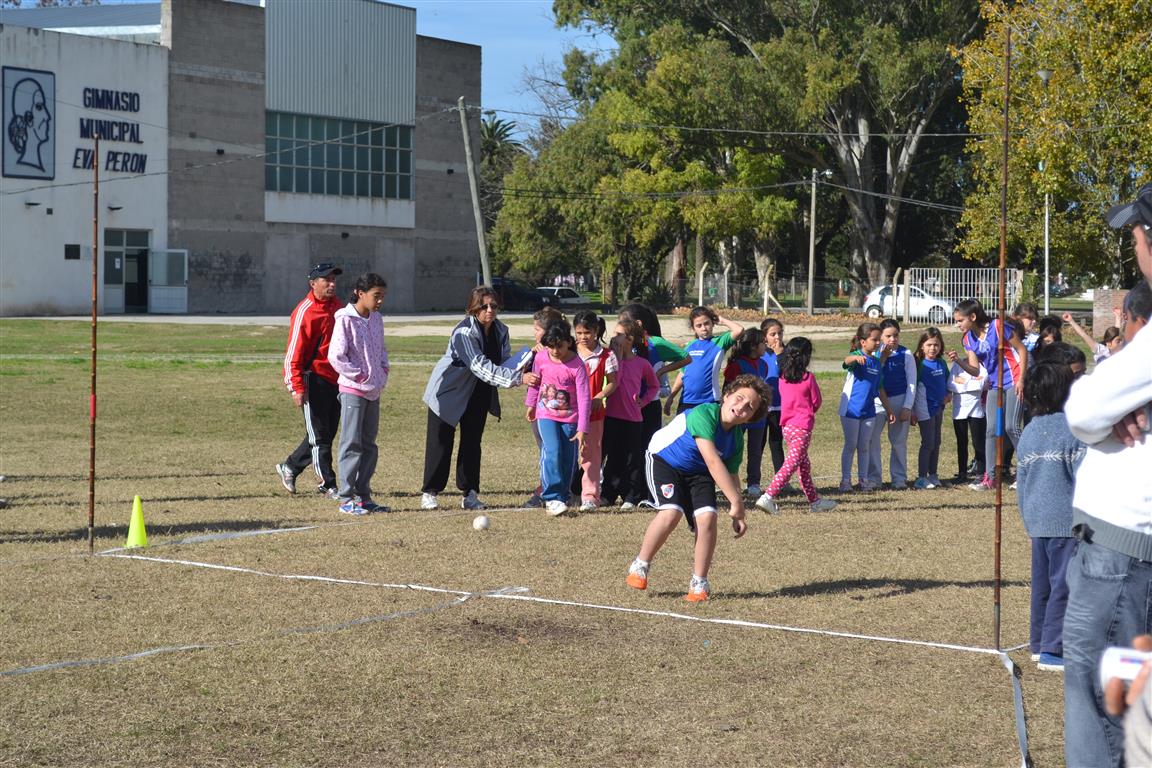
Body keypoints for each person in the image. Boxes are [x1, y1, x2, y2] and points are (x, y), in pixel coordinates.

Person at [1062, 182, 1152, 768]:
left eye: (1139, 234)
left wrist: (1111, 402)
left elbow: (1082, 411)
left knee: (1106, 706)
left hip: (1121, 557)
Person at [626, 375, 769, 602]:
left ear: (751, 418)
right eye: (739, 398)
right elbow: (713, 461)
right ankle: (640, 565)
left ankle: (699, 582)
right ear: (726, 395)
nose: (741, 406)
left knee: (708, 519)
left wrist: (738, 514)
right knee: (671, 512)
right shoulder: (704, 414)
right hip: (665, 460)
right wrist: (737, 503)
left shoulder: (736, 439)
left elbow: (731, 474)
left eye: (749, 407)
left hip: (699, 471)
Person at [420, 286, 538, 511]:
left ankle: (470, 493)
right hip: (447, 392)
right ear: (473, 308)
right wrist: (518, 379)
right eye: (484, 306)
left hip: (479, 392)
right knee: (440, 443)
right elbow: (479, 366)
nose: (490, 310)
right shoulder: (464, 332)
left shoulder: (501, 330)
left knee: (472, 443)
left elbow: (504, 361)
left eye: (494, 305)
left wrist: (529, 357)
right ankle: (430, 492)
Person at [1015, 360, 1083, 672]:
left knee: (1042, 585)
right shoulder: (1073, 431)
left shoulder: (1029, 431)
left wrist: (1027, 517)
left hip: (1037, 520)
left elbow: (1022, 481)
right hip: (1066, 523)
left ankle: (1038, 642)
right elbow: (1084, 479)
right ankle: (1054, 651)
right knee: (1064, 585)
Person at [276, 262, 344, 498]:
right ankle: (328, 483)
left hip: (336, 379)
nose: (332, 284)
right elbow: (293, 353)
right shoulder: (305, 311)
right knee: (320, 436)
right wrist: (295, 387)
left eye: (334, 280)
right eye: (327, 280)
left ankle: (291, 466)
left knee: (324, 433)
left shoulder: (339, 308)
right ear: (313, 283)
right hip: (312, 379)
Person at [947, 298, 1029, 490]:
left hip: (1014, 380)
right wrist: (959, 361)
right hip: (994, 385)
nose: (957, 324)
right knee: (991, 430)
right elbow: (975, 370)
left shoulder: (998, 327)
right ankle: (990, 478)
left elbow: (1021, 350)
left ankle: (1027, 472)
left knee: (1011, 427)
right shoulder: (967, 339)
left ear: (973, 317)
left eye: (960, 320)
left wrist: (1022, 380)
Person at [327, 273, 391, 515]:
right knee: (351, 443)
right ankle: (346, 498)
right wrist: (360, 376)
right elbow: (336, 356)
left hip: (373, 391)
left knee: (369, 445)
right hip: (353, 390)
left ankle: (364, 496)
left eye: (383, 296)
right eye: (376, 296)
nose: (380, 301)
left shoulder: (376, 319)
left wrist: (382, 371)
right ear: (360, 293)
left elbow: (381, 350)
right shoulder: (344, 319)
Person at [755, 338, 837, 514]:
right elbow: (816, 402)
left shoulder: (783, 378)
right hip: (802, 426)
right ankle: (768, 496)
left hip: (787, 427)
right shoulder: (808, 378)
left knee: (803, 464)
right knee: (792, 463)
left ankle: (815, 501)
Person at [525, 318, 590, 517]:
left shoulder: (577, 365)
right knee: (552, 451)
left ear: (569, 342)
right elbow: (535, 383)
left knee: (568, 458)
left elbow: (584, 397)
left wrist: (582, 429)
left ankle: (562, 496)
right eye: (551, 347)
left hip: (570, 418)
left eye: (559, 346)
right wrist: (531, 404)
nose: (555, 351)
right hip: (546, 415)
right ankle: (551, 496)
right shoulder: (541, 358)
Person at [601, 319, 660, 508]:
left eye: (619, 334)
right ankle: (608, 494)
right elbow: (613, 380)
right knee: (612, 457)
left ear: (630, 339)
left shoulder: (641, 363)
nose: (614, 338)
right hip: (611, 415)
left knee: (632, 459)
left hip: (633, 418)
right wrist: (616, 357)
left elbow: (653, 385)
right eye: (614, 333)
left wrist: (644, 400)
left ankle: (631, 496)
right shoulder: (610, 360)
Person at [618, 303, 690, 446]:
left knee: (647, 445)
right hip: (627, 404)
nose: (621, 326)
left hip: (650, 404)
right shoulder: (624, 343)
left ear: (638, 323)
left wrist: (662, 371)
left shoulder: (656, 343)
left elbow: (686, 357)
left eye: (624, 322)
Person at [570, 310, 618, 511]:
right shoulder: (568, 351)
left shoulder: (607, 355)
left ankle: (590, 496)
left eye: (587, 333)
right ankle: (560, 492)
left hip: (593, 414)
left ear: (596, 331)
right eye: (579, 333)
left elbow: (614, 382)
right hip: (568, 412)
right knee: (565, 454)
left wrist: (600, 396)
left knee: (591, 455)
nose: (583, 338)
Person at [839, 322, 892, 492]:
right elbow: (846, 362)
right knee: (851, 445)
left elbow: (880, 388)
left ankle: (863, 479)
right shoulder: (856, 356)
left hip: (869, 411)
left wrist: (889, 409)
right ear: (863, 342)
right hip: (851, 410)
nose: (878, 343)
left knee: (864, 446)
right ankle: (845, 481)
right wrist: (854, 358)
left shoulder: (876, 363)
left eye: (879, 340)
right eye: (874, 340)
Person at [523, 306, 567, 509]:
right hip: (542, 412)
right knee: (548, 451)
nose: (534, 333)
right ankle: (547, 489)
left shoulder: (563, 353)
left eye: (537, 329)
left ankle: (550, 491)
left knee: (555, 452)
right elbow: (525, 377)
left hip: (564, 412)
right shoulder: (536, 354)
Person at [867, 319, 917, 490]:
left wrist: (907, 407)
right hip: (878, 402)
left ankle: (899, 478)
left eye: (895, 335)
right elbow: (873, 375)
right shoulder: (874, 354)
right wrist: (882, 358)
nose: (892, 339)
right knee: (872, 440)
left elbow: (912, 383)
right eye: (888, 336)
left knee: (898, 441)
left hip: (899, 399)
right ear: (880, 336)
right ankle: (874, 478)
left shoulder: (906, 354)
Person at [667, 306, 744, 413]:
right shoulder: (690, 346)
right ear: (693, 328)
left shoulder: (720, 342)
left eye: (706, 323)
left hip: (708, 401)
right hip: (686, 401)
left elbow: (739, 330)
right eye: (699, 325)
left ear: (712, 323)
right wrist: (672, 396)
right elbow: (682, 374)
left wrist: (721, 320)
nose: (703, 328)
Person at [722, 328, 769, 496]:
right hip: (738, 416)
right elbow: (727, 390)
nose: (766, 345)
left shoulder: (764, 365)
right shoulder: (736, 365)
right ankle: (724, 480)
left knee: (756, 450)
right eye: (763, 342)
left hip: (757, 416)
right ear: (753, 346)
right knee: (731, 447)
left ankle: (754, 483)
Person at [911, 328, 949, 490]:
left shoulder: (941, 363)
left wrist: (949, 394)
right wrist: (912, 410)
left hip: (938, 407)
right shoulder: (918, 364)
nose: (933, 348)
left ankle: (933, 475)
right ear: (921, 346)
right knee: (928, 442)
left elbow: (948, 381)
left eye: (936, 345)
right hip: (924, 409)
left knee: (937, 442)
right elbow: (912, 387)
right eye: (929, 345)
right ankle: (921, 478)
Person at [948, 356, 987, 484]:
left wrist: (962, 382)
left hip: (976, 409)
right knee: (961, 442)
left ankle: (981, 472)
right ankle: (962, 473)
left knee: (978, 442)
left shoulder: (981, 365)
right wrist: (970, 383)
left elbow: (982, 384)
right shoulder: (957, 365)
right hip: (959, 410)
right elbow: (950, 384)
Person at [760, 318, 787, 477]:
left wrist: (780, 355)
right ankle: (753, 482)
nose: (777, 337)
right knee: (758, 445)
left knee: (776, 444)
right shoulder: (760, 353)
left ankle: (782, 480)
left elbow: (789, 374)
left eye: (780, 333)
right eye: (773, 334)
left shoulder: (787, 352)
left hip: (780, 406)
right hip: (762, 407)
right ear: (765, 337)